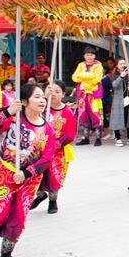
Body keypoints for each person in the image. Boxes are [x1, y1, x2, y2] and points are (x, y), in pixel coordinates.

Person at [0, 84, 56, 257]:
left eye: (43, 97)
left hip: (29, 180)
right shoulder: (14, 119)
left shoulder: (48, 129)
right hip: (5, 172)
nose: (42, 100)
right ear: (24, 101)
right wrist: (8, 111)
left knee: (18, 217)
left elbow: (46, 158)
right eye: (37, 97)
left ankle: (6, 252)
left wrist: (26, 173)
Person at [31, 81, 76, 215]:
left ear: (63, 94)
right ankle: (40, 195)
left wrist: (55, 145)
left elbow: (70, 134)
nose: (55, 94)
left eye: (58, 92)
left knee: (53, 177)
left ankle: (52, 201)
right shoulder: (42, 108)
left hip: (57, 151)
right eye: (52, 91)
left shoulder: (67, 112)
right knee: (36, 174)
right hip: (39, 149)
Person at [72, 46, 104, 146]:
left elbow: (97, 79)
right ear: (84, 56)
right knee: (83, 115)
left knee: (96, 115)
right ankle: (86, 138)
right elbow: (74, 78)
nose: (89, 56)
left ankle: (98, 138)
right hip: (83, 95)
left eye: (91, 54)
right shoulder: (80, 65)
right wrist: (89, 76)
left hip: (93, 95)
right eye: (87, 55)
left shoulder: (98, 66)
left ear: (94, 56)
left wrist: (83, 79)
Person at [110, 58, 129, 146]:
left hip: (128, 99)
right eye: (121, 64)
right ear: (117, 65)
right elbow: (114, 85)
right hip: (118, 100)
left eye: (124, 63)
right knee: (117, 119)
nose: (123, 65)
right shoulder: (115, 74)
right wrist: (121, 76)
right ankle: (117, 138)